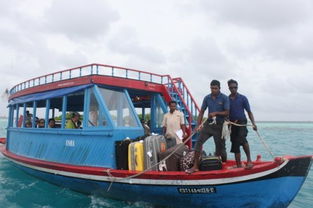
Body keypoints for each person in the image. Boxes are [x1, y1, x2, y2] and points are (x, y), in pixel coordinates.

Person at [186, 80, 229, 174]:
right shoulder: (207, 98)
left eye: (215, 88)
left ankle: (221, 165)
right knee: (198, 143)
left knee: (220, 148)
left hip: (220, 125)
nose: (213, 90)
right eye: (212, 88)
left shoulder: (224, 98)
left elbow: (227, 112)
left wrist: (216, 113)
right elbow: (201, 111)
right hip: (208, 125)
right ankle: (195, 166)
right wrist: (198, 125)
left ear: (219, 88)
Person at [228, 79, 257, 169]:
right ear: (229, 88)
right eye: (231, 87)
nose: (233, 89)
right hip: (232, 124)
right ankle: (238, 165)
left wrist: (253, 124)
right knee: (235, 143)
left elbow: (249, 112)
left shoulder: (243, 98)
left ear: (237, 87)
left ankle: (249, 161)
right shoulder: (227, 99)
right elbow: (225, 112)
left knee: (242, 139)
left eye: (235, 87)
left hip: (242, 122)